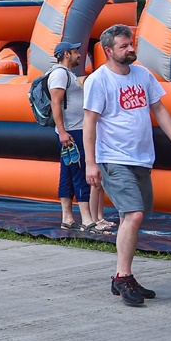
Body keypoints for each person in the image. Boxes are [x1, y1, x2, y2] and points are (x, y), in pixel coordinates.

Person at [84, 24, 171, 307]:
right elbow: (89, 123)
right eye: (124, 46)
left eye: (131, 44)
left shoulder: (143, 75)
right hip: (114, 158)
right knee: (134, 215)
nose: (131, 49)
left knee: (136, 216)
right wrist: (91, 163)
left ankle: (122, 275)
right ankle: (123, 277)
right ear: (108, 51)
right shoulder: (99, 80)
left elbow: (159, 109)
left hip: (142, 158)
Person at [47, 41, 103, 233]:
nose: (79, 55)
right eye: (75, 52)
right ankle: (87, 219)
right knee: (80, 171)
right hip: (73, 131)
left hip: (71, 131)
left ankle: (67, 217)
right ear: (66, 54)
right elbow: (56, 102)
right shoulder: (59, 74)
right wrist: (62, 131)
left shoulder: (66, 74)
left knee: (68, 172)